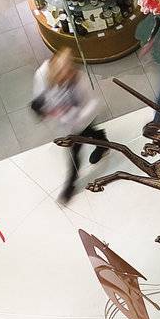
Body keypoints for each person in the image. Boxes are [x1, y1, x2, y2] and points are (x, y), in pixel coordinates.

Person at [31, 49, 108, 203]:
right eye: (59, 76)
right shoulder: (42, 74)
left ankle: (70, 185)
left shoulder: (80, 79)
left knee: (74, 151)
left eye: (66, 76)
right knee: (90, 133)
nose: (63, 79)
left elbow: (93, 103)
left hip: (79, 119)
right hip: (67, 120)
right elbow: (40, 98)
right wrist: (47, 110)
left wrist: (76, 118)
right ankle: (103, 141)